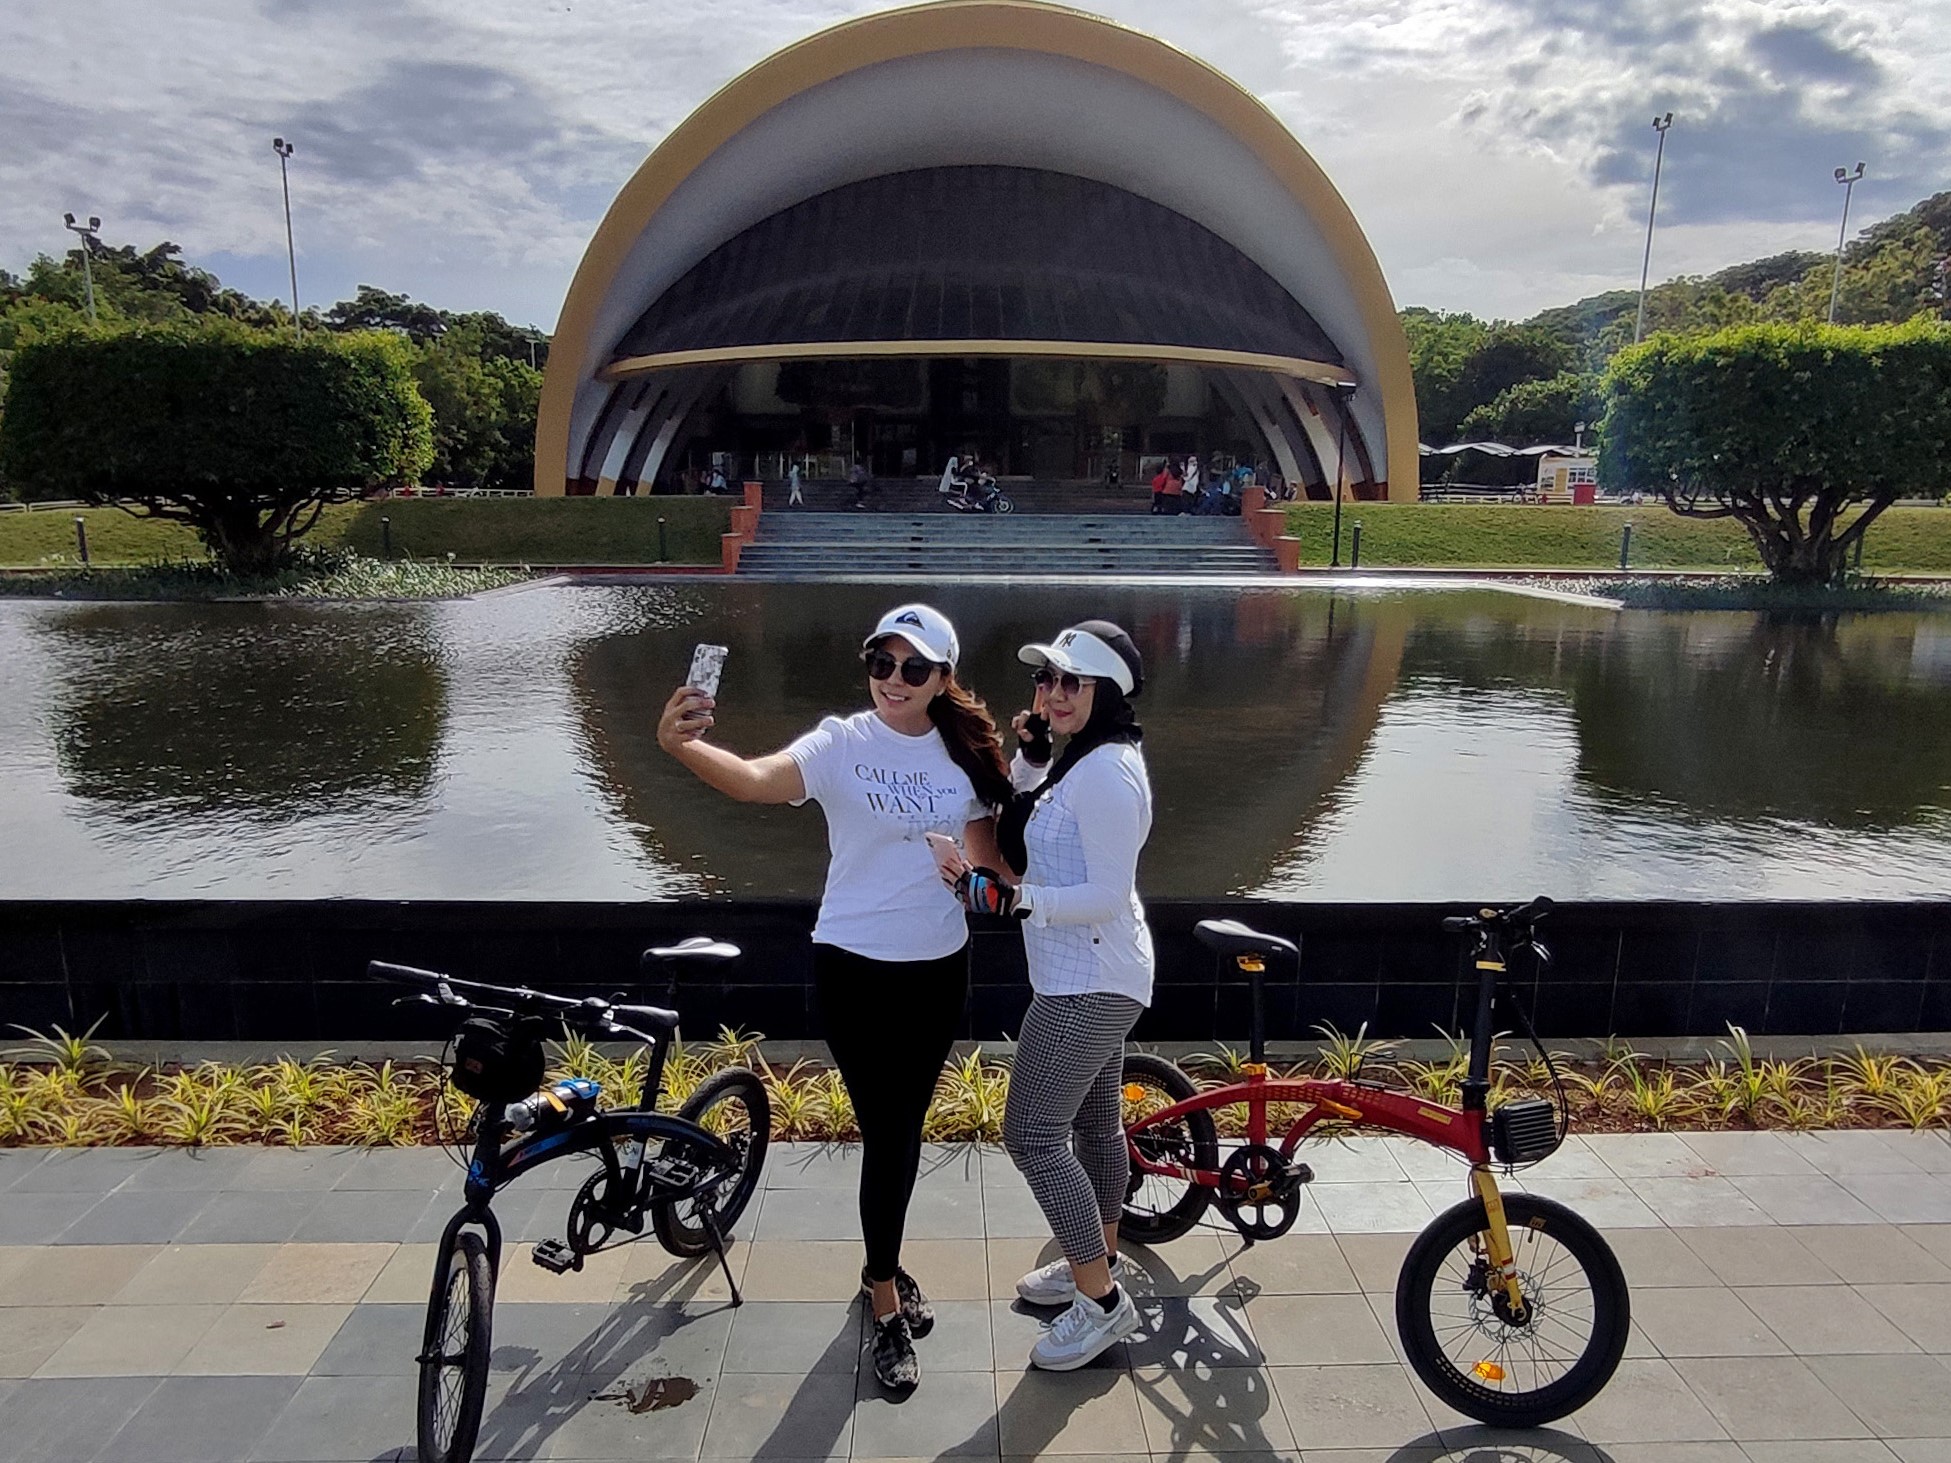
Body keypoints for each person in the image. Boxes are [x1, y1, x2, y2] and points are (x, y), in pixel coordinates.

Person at [657, 604, 1013, 1391]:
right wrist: (685, 745)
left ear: (942, 680)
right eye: (880, 663)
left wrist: (986, 870)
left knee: (902, 1130)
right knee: (888, 1130)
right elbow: (755, 782)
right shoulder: (842, 741)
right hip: (851, 964)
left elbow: (992, 868)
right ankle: (883, 1294)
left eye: (913, 668)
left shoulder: (965, 757)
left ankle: (878, 1270)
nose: (893, 680)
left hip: (936, 968)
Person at [938, 621, 1154, 1372]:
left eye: (1072, 682)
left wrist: (1014, 905)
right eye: (1047, 679)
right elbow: (1020, 831)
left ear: (1106, 693)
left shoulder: (1107, 773)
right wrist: (1028, 756)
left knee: (1030, 1133)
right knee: (1096, 1132)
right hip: (1083, 972)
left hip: (1089, 980)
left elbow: (1104, 891)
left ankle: (1101, 1304)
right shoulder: (1077, 759)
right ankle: (1089, 1257)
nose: (1053, 694)